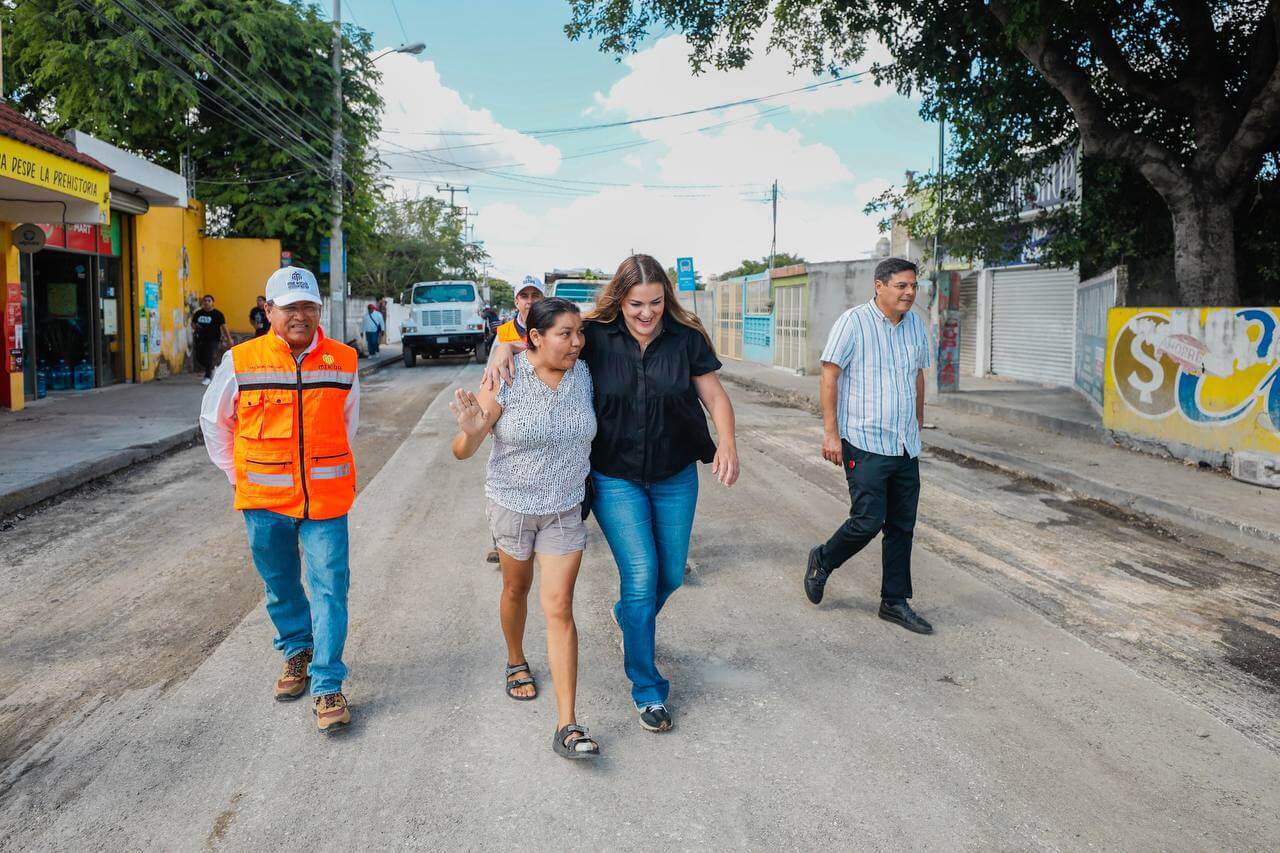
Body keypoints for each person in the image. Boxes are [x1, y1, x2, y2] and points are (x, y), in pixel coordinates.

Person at [487, 254, 739, 733]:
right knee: (642, 575)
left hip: (674, 473)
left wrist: (727, 441)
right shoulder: (597, 336)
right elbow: (549, 343)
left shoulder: (687, 339)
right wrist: (507, 350)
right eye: (636, 304)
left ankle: (628, 616)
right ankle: (647, 689)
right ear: (619, 300)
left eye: (656, 303)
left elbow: (715, 396)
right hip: (615, 476)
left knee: (670, 576)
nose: (647, 314)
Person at [199, 266, 361, 734]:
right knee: (280, 584)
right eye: (290, 307)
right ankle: (297, 649)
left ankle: (327, 682)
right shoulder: (241, 360)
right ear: (268, 310)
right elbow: (215, 421)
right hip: (263, 499)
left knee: (331, 588)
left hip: (325, 500)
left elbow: (349, 426)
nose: (301, 315)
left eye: (309, 306)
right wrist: (236, 474)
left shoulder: (344, 360)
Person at [451, 297, 601, 759]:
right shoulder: (507, 380)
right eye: (564, 334)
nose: (576, 342)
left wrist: (505, 344)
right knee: (516, 589)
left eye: (579, 333)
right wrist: (474, 429)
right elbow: (462, 451)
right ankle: (516, 658)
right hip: (513, 506)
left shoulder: (584, 373)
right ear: (534, 338)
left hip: (563, 509)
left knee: (560, 608)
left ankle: (568, 724)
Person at [803, 257, 934, 635]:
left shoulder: (915, 326)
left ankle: (894, 601)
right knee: (868, 520)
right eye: (902, 286)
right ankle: (823, 560)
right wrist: (831, 433)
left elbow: (917, 375)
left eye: (913, 286)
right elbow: (830, 375)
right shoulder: (853, 323)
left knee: (902, 526)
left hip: (904, 443)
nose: (910, 292)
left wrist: (918, 421)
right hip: (865, 440)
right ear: (880, 285)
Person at [191, 294, 232, 384]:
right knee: (200, 357)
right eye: (205, 301)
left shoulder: (217, 314)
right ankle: (212, 368)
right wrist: (195, 327)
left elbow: (224, 326)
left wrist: (229, 338)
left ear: (212, 303)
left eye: (209, 301)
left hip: (213, 339)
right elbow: (193, 324)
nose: (207, 302)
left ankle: (207, 377)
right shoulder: (198, 313)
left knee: (209, 356)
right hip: (200, 339)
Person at [495, 274, 545, 344]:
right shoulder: (503, 332)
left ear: (542, 300)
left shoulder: (552, 329)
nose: (530, 301)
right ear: (516, 302)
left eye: (535, 295)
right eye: (524, 296)